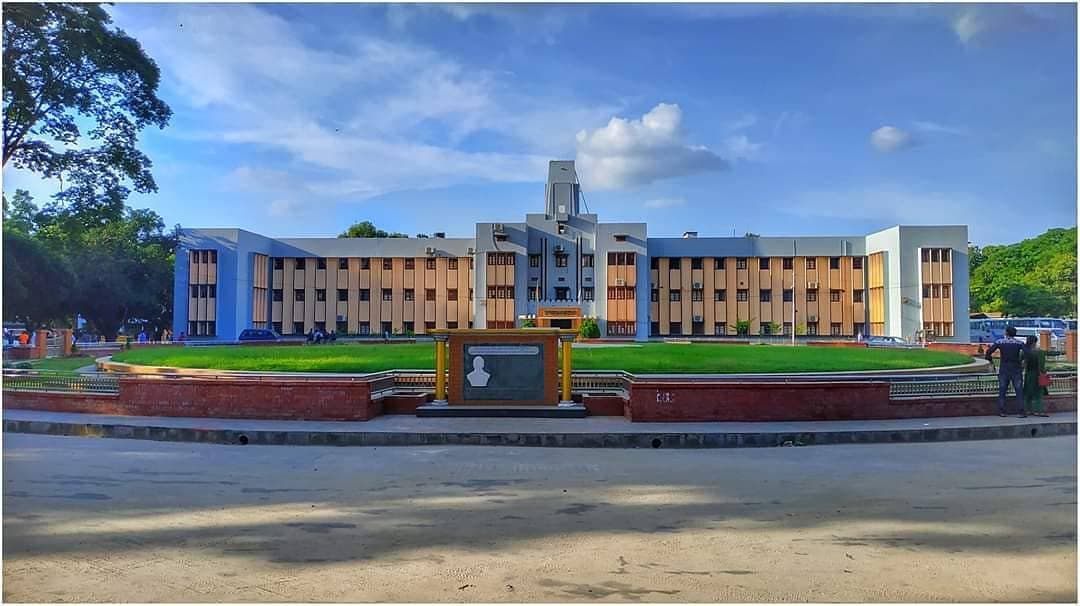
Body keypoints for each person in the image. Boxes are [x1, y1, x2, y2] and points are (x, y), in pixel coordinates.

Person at [985, 326, 1027, 418]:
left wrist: (991, 361)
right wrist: (1022, 361)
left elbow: (988, 352)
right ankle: (1021, 411)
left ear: (1006, 333)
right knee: (1019, 391)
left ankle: (1002, 411)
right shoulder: (1019, 343)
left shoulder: (1000, 342)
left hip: (1004, 369)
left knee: (1002, 391)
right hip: (1016, 369)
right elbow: (1027, 353)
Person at [1023, 335, 1049, 418]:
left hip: (1028, 375)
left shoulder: (1024, 351)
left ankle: (1028, 410)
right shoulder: (1039, 352)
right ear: (1035, 342)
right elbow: (1041, 366)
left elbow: (1021, 363)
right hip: (1038, 375)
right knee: (1038, 394)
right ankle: (1038, 411)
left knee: (1028, 393)